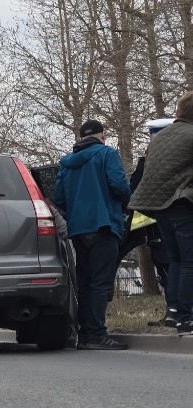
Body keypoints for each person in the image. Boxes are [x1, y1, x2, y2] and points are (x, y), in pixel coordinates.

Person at [53, 119, 132, 350]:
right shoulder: (107, 154)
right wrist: (127, 204)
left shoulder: (66, 164)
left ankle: (85, 333)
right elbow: (118, 184)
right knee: (100, 282)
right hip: (103, 225)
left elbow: (59, 199)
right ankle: (97, 334)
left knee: (85, 282)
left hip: (77, 230)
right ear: (101, 135)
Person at [129, 92, 193, 336]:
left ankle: (174, 312)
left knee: (176, 259)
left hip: (157, 206)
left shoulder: (159, 137)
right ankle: (187, 318)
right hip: (180, 204)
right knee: (189, 261)